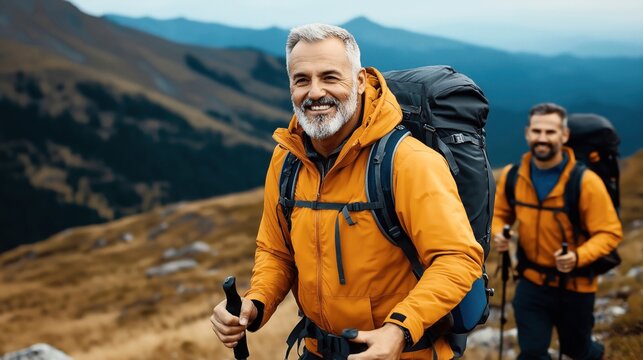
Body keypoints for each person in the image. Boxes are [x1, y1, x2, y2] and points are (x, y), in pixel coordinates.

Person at [210, 23, 484, 360]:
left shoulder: (408, 162)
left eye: (329, 77)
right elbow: (276, 250)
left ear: (358, 81)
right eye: (301, 80)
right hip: (316, 350)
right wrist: (255, 303)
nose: (314, 92)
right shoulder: (288, 159)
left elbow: (457, 259)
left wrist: (399, 329)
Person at [492, 103, 622, 360]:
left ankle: (595, 353)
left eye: (550, 132)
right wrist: (499, 233)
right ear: (527, 133)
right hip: (531, 282)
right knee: (531, 352)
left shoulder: (585, 182)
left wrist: (578, 257)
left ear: (564, 136)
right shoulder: (513, 176)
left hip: (576, 285)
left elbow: (609, 232)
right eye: (537, 131)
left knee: (577, 350)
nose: (542, 138)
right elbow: (499, 215)